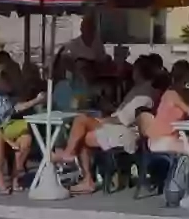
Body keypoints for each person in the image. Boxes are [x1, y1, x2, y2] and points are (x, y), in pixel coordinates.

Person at [54, 57, 159, 193]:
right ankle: (82, 172)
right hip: (119, 127)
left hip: (124, 133)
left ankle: (71, 158)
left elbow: (124, 119)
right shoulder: (141, 90)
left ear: (139, 72)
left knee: (81, 123)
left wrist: (103, 120)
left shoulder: (143, 95)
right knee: (82, 129)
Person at [0, 65, 44, 195]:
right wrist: (9, 141)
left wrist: (36, 100)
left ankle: (15, 176)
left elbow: (15, 108)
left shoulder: (3, 95)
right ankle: (0, 181)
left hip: (5, 127)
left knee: (26, 137)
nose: (8, 80)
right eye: (4, 77)